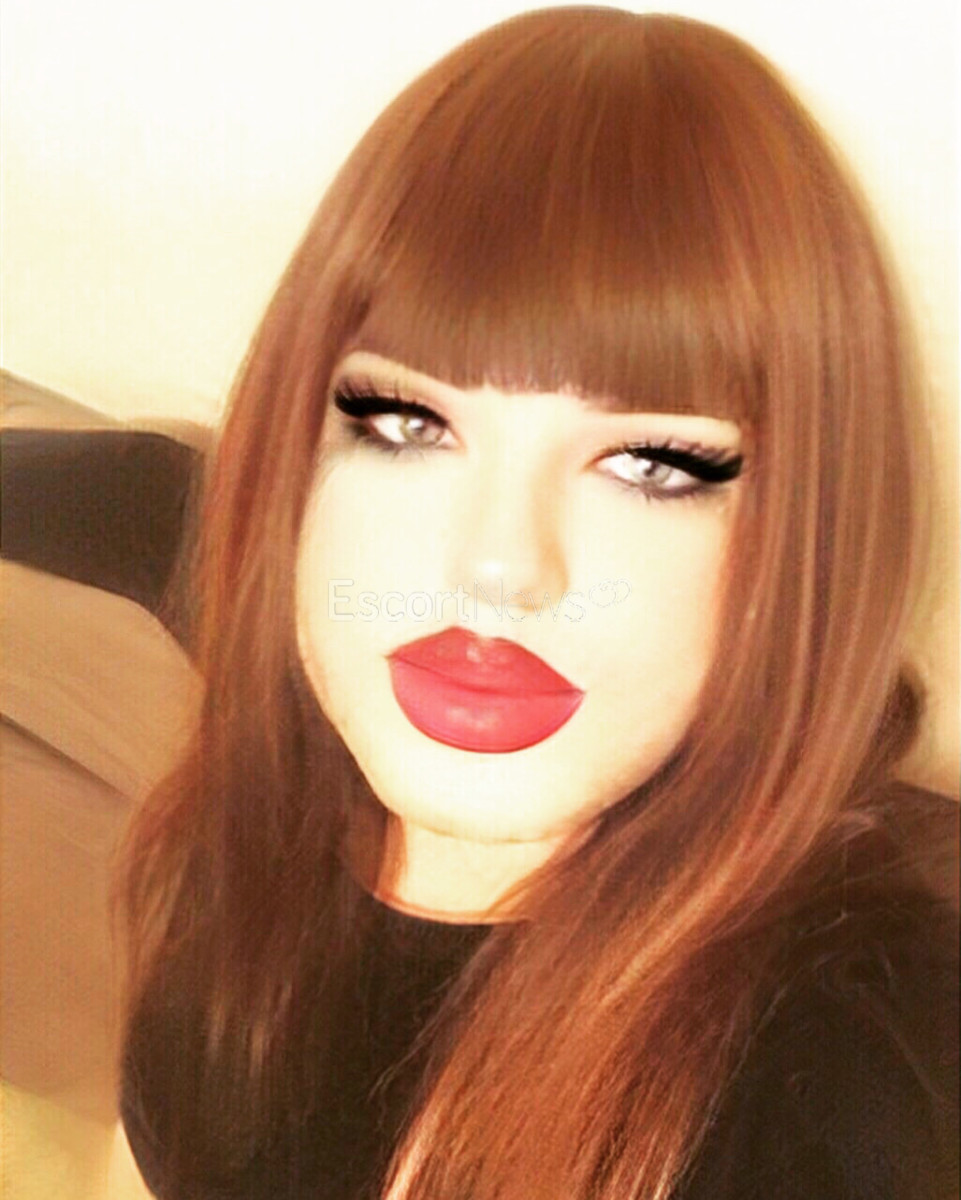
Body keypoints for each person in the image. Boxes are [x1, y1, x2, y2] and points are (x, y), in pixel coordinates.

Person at [109, 8, 959, 1199]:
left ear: (806, 541)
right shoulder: (236, 863)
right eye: (407, 424)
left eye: (652, 464)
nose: (497, 567)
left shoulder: (870, 1060)